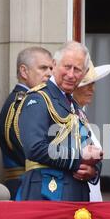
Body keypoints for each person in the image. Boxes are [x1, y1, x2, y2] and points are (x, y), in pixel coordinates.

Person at [15, 41, 103, 201]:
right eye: (67, 67)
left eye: (77, 69)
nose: (71, 74)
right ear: (54, 65)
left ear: (84, 73)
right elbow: (34, 148)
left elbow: (88, 148)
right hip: (46, 195)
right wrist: (78, 159)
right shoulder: (39, 98)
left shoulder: (74, 106)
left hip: (76, 197)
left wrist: (92, 171)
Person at [0, 47, 53, 200]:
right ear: (24, 71)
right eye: (43, 68)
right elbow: (29, 149)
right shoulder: (23, 102)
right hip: (26, 188)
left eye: (51, 68)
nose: (49, 73)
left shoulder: (34, 100)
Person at [73, 60, 110, 201]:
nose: (92, 89)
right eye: (87, 84)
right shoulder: (67, 114)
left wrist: (93, 171)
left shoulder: (81, 114)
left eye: (93, 84)